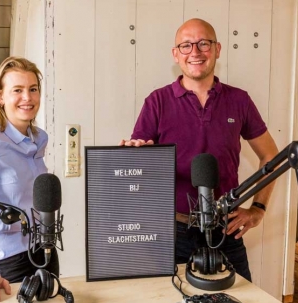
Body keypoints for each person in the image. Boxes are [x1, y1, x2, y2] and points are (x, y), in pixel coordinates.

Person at [119, 18, 278, 281]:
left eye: (204, 43)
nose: (195, 52)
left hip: (227, 229)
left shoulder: (239, 100)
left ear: (217, 49)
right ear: (176, 54)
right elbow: (140, 164)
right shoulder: (157, 101)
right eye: (186, 45)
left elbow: (270, 155)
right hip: (174, 232)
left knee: (243, 297)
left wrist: (258, 209)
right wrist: (135, 154)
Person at [0, 56, 59, 303]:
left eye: (33, 89)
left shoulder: (40, 139)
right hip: (9, 260)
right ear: (1, 96)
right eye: (17, 90)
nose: (27, 98)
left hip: (44, 252)